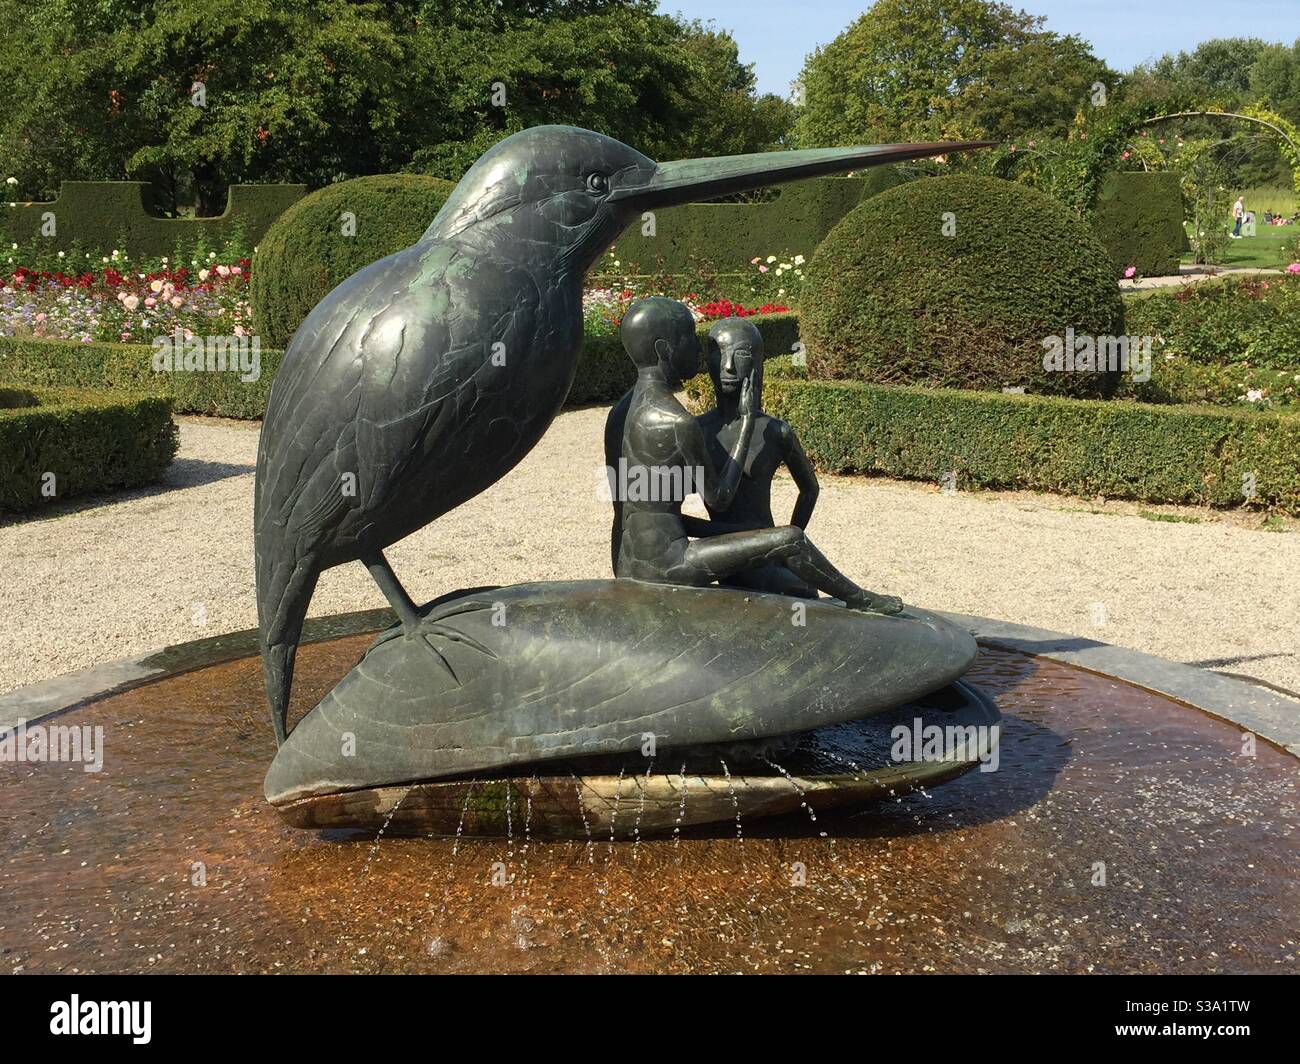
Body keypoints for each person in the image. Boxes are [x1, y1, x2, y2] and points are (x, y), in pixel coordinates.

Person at [607, 296, 902, 614]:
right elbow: (719, 499)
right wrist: (747, 420)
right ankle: (862, 600)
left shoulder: (620, 413)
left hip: (626, 562)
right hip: (669, 566)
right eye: (690, 340)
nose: (697, 349)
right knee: (790, 539)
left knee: (773, 543)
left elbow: (635, 506)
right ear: (664, 350)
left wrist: (740, 534)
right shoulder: (679, 421)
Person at [689, 317, 822, 598]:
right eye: (719, 353)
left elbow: (810, 490)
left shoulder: (775, 432)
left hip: (763, 552)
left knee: (805, 592)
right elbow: (671, 502)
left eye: (740, 354)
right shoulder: (697, 431)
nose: (727, 366)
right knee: (806, 592)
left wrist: (790, 537)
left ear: (756, 361)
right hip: (725, 555)